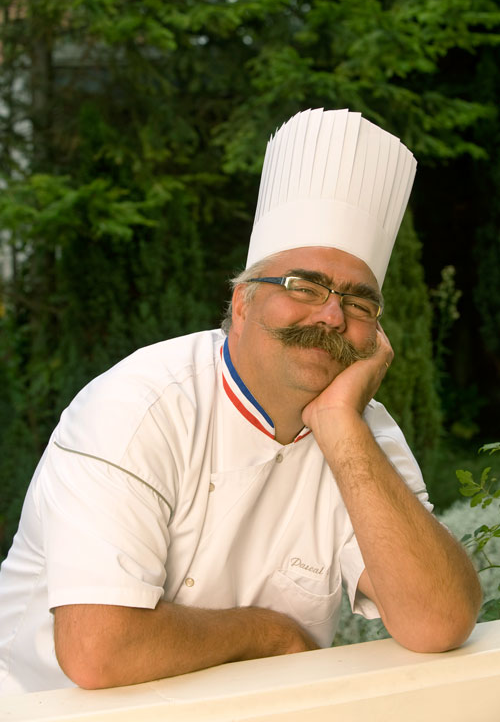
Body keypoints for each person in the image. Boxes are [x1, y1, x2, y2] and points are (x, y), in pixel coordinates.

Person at [0, 108, 481, 695]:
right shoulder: (139, 406)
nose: (332, 316)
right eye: (304, 287)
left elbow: (439, 621)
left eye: (359, 303)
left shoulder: (365, 433)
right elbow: (99, 652)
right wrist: (268, 635)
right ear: (242, 304)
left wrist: (338, 425)